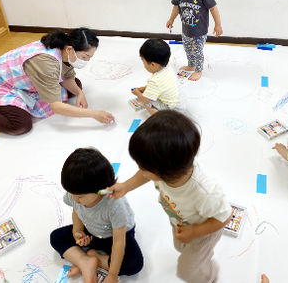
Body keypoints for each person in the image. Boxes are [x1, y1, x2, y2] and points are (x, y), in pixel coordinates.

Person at [107, 110, 232, 283]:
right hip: (180, 221)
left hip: (203, 231)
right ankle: (199, 261)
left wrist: (195, 232)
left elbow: (225, 217)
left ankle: (208, 275)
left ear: (163, 172)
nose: (140, 170)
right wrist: (126, 186)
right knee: (180, 246)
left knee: (188, 271)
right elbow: (144, 175)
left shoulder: (204, 192)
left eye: (143, 167)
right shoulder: (169, 169)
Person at [0, 28, 114, 135]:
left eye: (89, 57)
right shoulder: (47, 62)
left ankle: (69, 92)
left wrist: (80, 93)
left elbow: (67, 74)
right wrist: (94, 114)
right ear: (70, 49)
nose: (86, 61)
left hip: (29, 79)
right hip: (4, 85)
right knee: (20, 125)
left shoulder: (64, 47)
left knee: (76, 85)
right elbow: (57, 107)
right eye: (85, 57)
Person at [50, 148, 143, 283]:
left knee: (134, 264)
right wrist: (78, 231)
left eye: (80, 196)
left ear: (101, 190)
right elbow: (76, 211)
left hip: (116, 235)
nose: (75, 199)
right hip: (92, 230)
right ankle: (85, 261)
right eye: (72, 193)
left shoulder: (115, 205)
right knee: (56, 237)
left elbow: (119, 242)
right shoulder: (75, 194)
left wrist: (112, 275)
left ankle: (98, 258)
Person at [166, 0, 223, 81]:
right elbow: (176, 6)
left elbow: (213, 8)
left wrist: (218, 24)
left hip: (199, 32)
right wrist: (171, 19)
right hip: (186, 30)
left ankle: (198, 70)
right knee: (187, 49)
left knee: (197, 52)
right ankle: (191, 65)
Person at [131, 39, 179, 115]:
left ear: (153, 65)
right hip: (176, 101)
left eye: (144, 62)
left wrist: (137, 93)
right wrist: (144, 88)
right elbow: (160, 86)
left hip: (168, 108)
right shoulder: (168, 68)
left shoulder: (154, 80)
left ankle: (158, 116)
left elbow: (145, 99)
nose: (144, 65)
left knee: (147, 103)